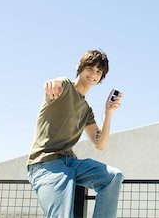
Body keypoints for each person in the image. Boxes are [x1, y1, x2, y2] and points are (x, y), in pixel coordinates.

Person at [27, 49, 124, 218]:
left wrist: (109, 112)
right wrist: (52, 84)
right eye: (90, 68)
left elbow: (100, 144)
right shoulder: (64, 86)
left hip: (71, 163)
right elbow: (55, 84)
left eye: (98, 72)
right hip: (46, 164)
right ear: (80, 68)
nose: (93, 74)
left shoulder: (86, 110)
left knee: (113, 177)